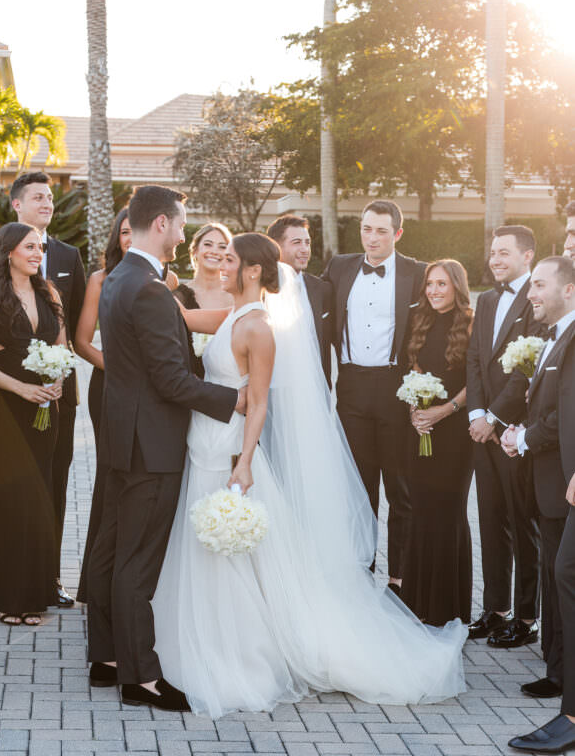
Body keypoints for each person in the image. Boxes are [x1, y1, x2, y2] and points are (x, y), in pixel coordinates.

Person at [153, 234, 466, 718]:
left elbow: (259, 404)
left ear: (253, 271)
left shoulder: (258, 327)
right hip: (203, 444)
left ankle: (239, 648)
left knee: (234, 555)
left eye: (230, 259)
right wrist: (153, 285)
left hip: (228, 453)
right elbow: (177, 318)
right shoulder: (233, 315)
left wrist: (245, 462)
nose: (220, 265)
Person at [85, 185, 242, 710]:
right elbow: (172, 381)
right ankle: (141, 678)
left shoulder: (120, 277)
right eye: (179, 224)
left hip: (121, 438)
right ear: (160, 224)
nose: (182, 233)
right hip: (151, 446)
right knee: (137, 561)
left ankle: (107, 657)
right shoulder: (149, 288)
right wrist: (234, 400)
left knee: (110, 553)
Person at [0, 172, 85, 607]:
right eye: (31, 247)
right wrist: (18, 387)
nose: (39, 253)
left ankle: (38, 588)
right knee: (12, 496)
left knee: (42, 495)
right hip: (5, 408)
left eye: (40, 247)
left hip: (47, 406)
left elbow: (63, 342)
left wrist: (55, 378)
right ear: (9, 252)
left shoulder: (50, 291)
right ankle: (8, 597)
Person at [322, 200, 426, 592]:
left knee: (400, 490)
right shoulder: (339, 267)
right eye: (367, 229)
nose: (373, 238)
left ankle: (399, 579)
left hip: (396, 390)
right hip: (350, 389)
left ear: (397, 234)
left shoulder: (416, 272)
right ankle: (360, 572)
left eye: (382, 231)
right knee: (358, 488)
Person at [506, 256, 575, 754]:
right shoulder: (559, 338)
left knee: (566, 574)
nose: (531, 294)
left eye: (539, 284)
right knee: (565, 573)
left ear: (569, 290)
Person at [465, 225, 541, 649]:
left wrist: (495, 419)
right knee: (491, 521)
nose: (495, 260)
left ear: (526, 256)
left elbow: (526, 369)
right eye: (493, 252)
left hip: (514, 431)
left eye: (504, 253)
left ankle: (528, 617)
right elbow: (476, 358)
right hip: (484, 430)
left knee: (521, 522)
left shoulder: (535, 298)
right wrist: (477, 414)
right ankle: (496, 611)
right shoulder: (487, 298)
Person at [400, 260, 474, 625]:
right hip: (421, 430)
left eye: (442, 284)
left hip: (456, 434)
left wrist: (444, 410)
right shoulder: (420, 322)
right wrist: (417, 408)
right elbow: (413, 369)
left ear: (457, 287)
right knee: (421, 511)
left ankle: (449, 608)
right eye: (430, 284)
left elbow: (478, 381)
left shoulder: (472, 323)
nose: (434, 291)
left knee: (448, 513)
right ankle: (417, 603)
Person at [75, 207, 131, 610]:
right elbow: (82, 342)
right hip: (109, 385)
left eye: (135, 231)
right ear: (117, 236)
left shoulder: (169, 279)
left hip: (152, 391)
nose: (130, 239)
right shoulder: (100, 279)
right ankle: (96, 586)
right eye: (124, 232)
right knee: (111, 474)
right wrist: (121, 367)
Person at [267, 215, 333, 387]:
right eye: (297, 242)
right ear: (276, 246)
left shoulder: (321, 289)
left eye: (307, 242)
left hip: (313, 388)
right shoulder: (261, 288)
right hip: (270, 387)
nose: (305, 249)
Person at [173, 222, 232, 376]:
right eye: (208, 244)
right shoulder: (178, 298)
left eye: (222, 246)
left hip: (231, 387)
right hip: (191, 385)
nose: (214, 251)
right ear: (195, 251)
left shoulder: (238, 296)